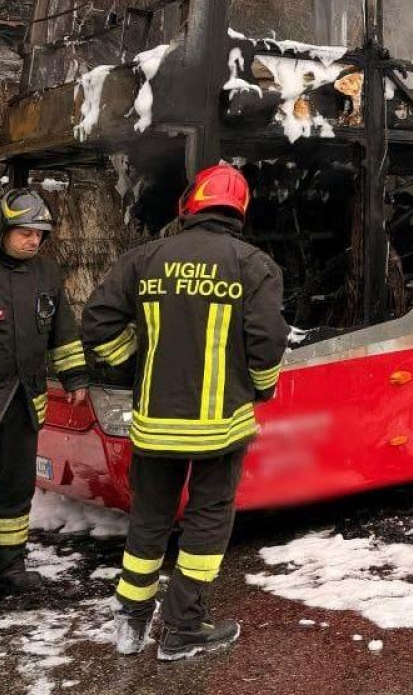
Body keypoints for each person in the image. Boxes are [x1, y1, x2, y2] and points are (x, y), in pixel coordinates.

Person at [82, 164, 289, 661]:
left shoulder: (144, 258)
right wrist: (261, 389)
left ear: (189, 204)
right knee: (206, 522)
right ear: (239, 211)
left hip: (154, 425)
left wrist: (136, 361)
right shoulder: (253, 265)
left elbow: (98, 324)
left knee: (150, 521)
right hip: (219, 429)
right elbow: (268, 344)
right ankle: (182, 628)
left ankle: (130, 622)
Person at [0, 188, 89, 594]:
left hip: (23, 402)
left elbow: (63, 330)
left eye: (39, 234)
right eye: (25, 232)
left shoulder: (48, 273)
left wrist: (75, 376)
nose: (33, 240)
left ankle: (5, 569)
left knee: (14, 487)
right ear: (2, 229)